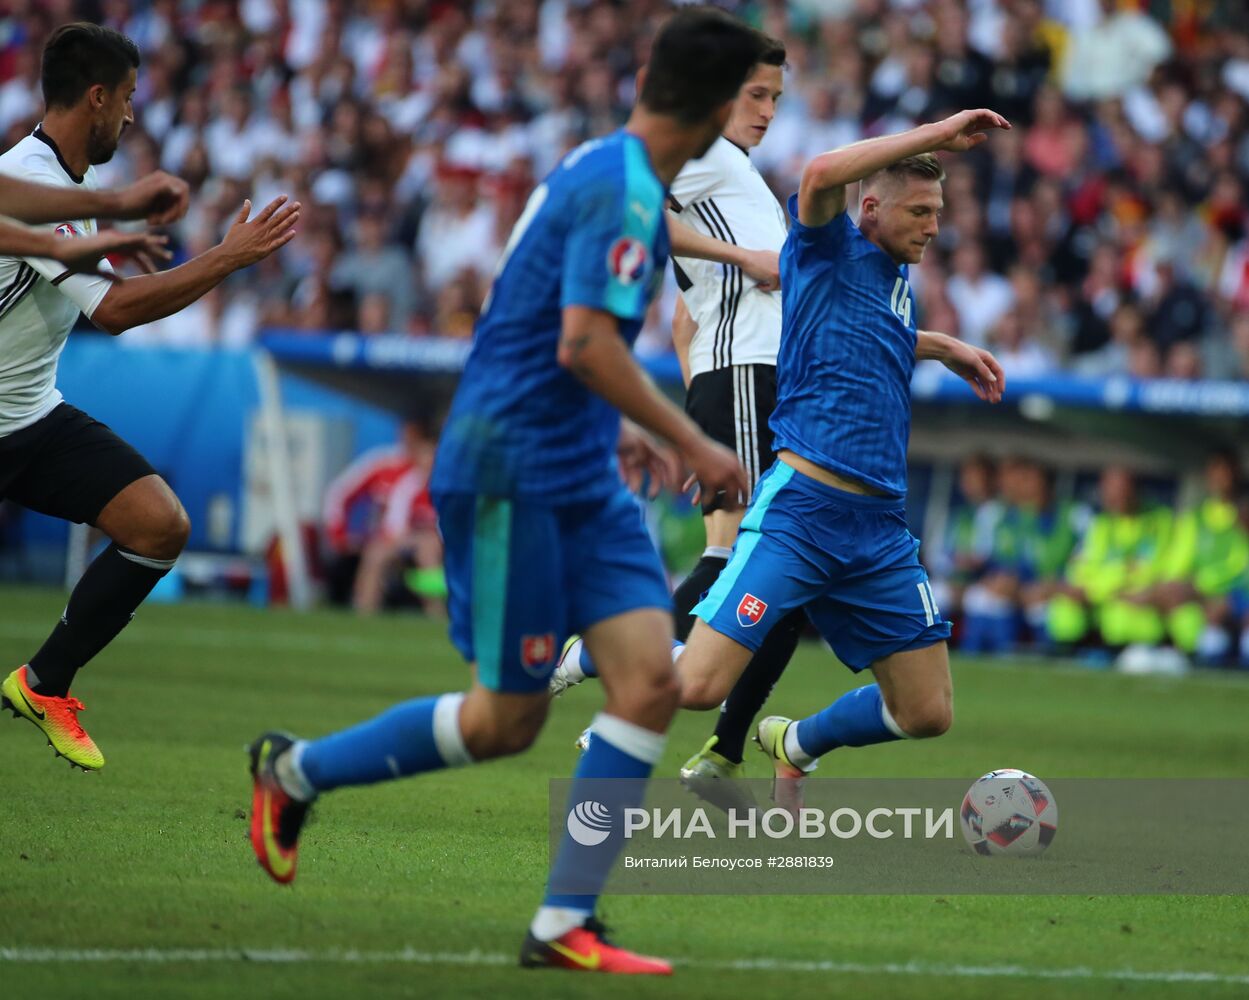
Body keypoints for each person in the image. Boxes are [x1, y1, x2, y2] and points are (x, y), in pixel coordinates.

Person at [245, 9, 764, 976]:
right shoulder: (622, 190)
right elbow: (582, 342)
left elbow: (535, 321)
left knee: (650, 683)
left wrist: (614, 424)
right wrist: (690, 438)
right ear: (712, 111)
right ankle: (294, 771)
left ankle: (564, 924)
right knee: (505, 721)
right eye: (749, 99)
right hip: (510, 471)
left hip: (577, 465)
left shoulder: (603, 168)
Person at [557, 109, 1010, 814]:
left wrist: (942, 345)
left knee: (926, 712)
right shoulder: (826, 245)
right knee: (697, 686)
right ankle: (597, 650)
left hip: (879, 531)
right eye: (919, 212)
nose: (932, 226)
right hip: (801, 515)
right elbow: (821, 172)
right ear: (870, 209)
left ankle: (795, 744)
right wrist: (938, 133)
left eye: (937, 213)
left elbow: (869, 332)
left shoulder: (894, 277)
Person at [0, 23, 299, 771]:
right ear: (97, 97)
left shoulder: (65, 185)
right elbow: (115, 309)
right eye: (128, 97)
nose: (132, 114)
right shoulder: (32, 177)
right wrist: (226, 258)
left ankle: (44, 683)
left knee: (157, 524)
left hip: (28, 414)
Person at [556, 36, 795, 809]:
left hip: (743, 381)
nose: (766, 111)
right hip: (747, 374)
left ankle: (711, 747)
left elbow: (686, 323)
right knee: (757, 561)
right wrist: (744, 259)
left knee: (774, 574)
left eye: (775, 98)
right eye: (754, 95)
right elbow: (636, 216)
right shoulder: (705, 157)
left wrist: (702, 411)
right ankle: (626, 681)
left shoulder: (739, 176)